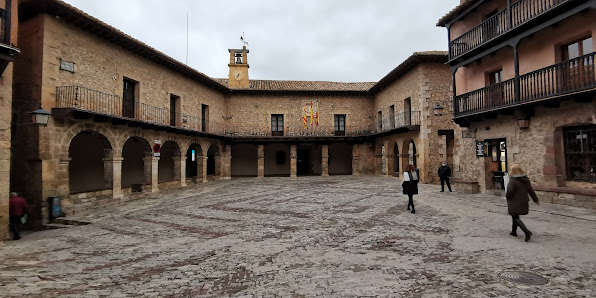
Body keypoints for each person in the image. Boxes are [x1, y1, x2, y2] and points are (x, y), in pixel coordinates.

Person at [505, 164, 539, 242]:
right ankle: (513, 232)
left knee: (515, 217)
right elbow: (530, 190)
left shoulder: (513, 180)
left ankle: (526, 231)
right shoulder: (525, 179)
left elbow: (510, 191)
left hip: (514, 201)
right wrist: (535, 199)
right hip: (523, 200)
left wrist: (507, 196)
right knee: (515, 216)